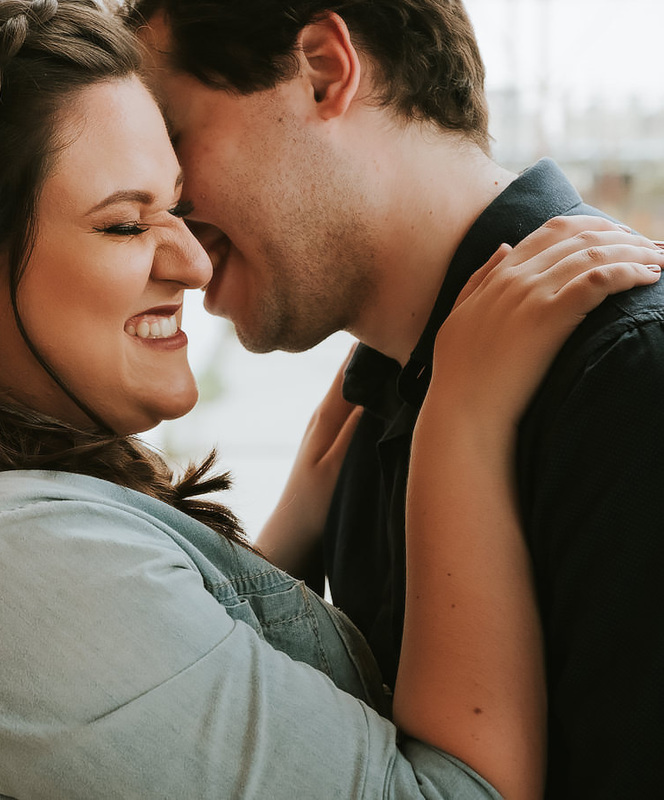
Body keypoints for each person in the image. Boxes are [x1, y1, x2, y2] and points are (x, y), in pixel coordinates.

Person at [0, 0, 664, 797]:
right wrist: (458, 428)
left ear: (326, 73)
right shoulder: (418, 415)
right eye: (128, 219)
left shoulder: (627, 376)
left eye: (179, 156)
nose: (187, 248)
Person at [127, 1, 664, 796]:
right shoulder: (373, 403)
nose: (161, 210)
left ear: (322, 70)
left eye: (170, 140)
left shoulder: (629, 378)